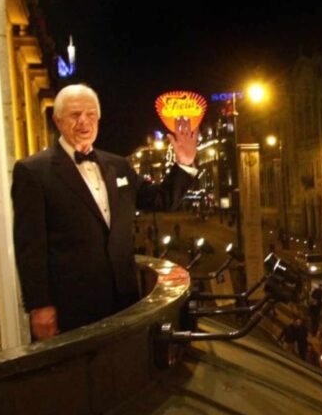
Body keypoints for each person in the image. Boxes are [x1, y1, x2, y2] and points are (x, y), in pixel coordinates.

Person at [11, 84, 198, 339]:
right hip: (71, 306)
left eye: (90, 114)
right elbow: (29, 246)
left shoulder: (118, 165)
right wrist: (39, 306)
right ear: (57, 120)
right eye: (75, 115)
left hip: (123, 298)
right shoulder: (33, 171)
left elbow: (160, 200)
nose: (84, 122)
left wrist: (184, 164)